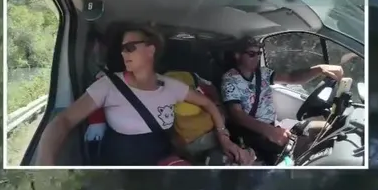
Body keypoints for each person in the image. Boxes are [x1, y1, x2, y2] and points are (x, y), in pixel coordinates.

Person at [36, 27, 245, 166]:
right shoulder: (108, 85)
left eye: (130, 48)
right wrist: (45, 164)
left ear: (150, 50)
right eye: (122, 49)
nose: (124, 54)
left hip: (165, 161)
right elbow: (64, 120)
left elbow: (208, 104)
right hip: (122, 168)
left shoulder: (171, 86)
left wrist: (224, 138)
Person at [220, 37, 344, 164]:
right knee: (300, 146)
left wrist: (319, 69)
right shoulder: (230, 80)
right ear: (237, 55)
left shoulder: (263, 73)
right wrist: (269, 131)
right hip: (252, 133)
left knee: (324, 128)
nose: (256, 58)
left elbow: (292, 78)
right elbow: (237, 115)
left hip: (272, 126)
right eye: (251, 54)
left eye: (259, 53)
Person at [163, 70, 256, 165]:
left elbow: (208, 99)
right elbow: (177, 135)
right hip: (193, 142)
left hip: (218, 129)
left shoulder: (172, 80)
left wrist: (222, 132)